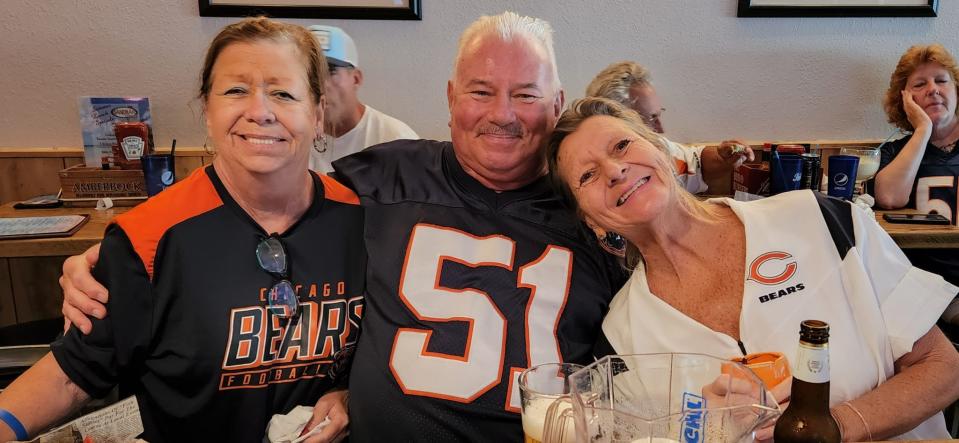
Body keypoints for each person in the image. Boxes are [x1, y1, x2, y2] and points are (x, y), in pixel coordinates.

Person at [59, 12, 623, 441]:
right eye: (480, 91)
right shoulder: (377, 177)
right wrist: (118, 253)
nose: (502, 113)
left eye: (525, 95)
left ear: (557, 103)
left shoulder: (596, 204)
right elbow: (259, 199)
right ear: (451, 99)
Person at [0, 18, 364, 443]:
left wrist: (351, 396)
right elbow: (71, 376)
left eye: (283, 93)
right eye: (235, 90)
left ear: (318, 115)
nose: (260, 111)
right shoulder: (148, 237)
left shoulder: (363, 221)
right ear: (207, 111)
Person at [547, 96, 959, 441]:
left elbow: (943, 368)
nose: (615, 170)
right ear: (590, 220)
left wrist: (831, 427)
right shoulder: (621, 340)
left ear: (661, 150)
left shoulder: (820, 219)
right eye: (587, 175)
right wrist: (709, 431)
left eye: (621, 146)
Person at [875, 43, 959, 326]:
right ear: (905, 101)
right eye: (920, 85)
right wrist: (923, 130)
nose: (933, 89)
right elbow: (888, 198)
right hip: (927, 287)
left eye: (942, 81)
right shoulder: (895, 153)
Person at [586, 60, 754, 194]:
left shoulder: (657, 148)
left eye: (659, 115)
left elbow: (694, 163)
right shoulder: (586, 173)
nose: (660, 129)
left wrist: (722, 157)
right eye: (652, 118)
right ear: (614, 122)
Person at [307, 25, 418, 174]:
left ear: (356, 79)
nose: (320, 84)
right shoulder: (290, 137)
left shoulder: (396, 140)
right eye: (310, 72)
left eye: (330, 71)